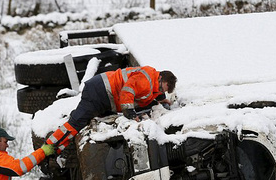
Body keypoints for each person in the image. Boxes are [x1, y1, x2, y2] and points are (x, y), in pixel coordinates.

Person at [46, 66, 177, 153]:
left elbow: (151, 94)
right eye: (162, 88)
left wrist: (161, 99)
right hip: (99, 91)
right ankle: (49, 147)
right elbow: (127, 92)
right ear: (160, 78)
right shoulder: (146, 80)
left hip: (104, 94)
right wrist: (131, 114)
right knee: (77, 122)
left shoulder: (153, 82)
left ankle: (58, 148)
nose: (161, 91)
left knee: (84, 119)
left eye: (163, 91)